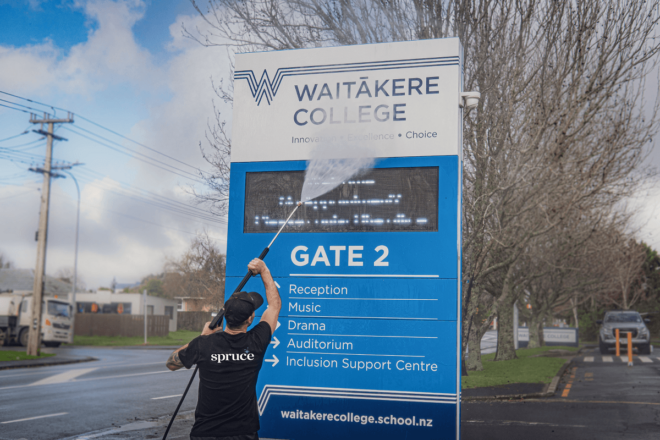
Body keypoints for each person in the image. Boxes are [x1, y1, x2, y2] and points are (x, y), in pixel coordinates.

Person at [165, 258, 281, 440]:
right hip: (242, 433)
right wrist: (263, 269)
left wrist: (203, 337)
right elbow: (274, 306)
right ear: (250, 319)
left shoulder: (204, 344)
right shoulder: (257, 341)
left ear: (225, 316)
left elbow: (171, 363)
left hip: (206, 434)